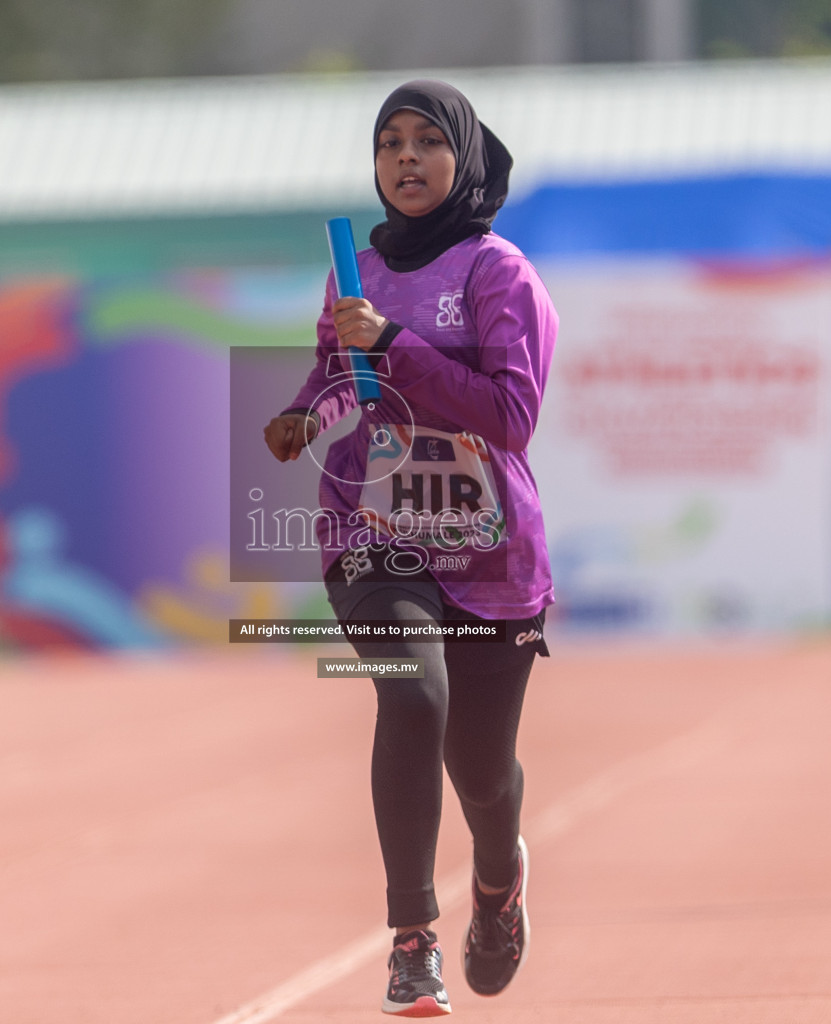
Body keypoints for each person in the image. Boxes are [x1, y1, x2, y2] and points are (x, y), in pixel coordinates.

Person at [263, 80, 557, 1017]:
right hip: (372, 530)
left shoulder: (497, 272)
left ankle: (498, 879)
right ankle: (411, 939)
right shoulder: (356, 271)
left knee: (480, 769)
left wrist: (398, 345)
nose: (404, 158)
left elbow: (511, 416)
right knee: (411, 687)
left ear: (461, 158)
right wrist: (303, 414)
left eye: (427, 141)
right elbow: (334, 371)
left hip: (484, 548)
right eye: (388, 141)